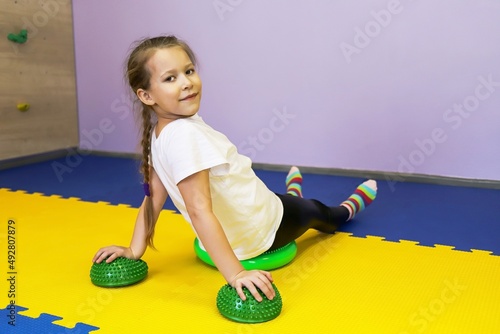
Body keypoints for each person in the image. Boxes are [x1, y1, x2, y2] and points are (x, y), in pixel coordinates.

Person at [92, 35, 377, 303]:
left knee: (284, 199)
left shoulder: (161, 134)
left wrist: (134, 249)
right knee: (316, 212)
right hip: (263, 229)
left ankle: (294, 193)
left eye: (189, 71)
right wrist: (236, 273)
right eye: (170, 78)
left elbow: (153, 198)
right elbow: (199, 210)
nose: (187, 83)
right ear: (146, 95)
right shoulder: (184, 137)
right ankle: (346, 209)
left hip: (249, 216)